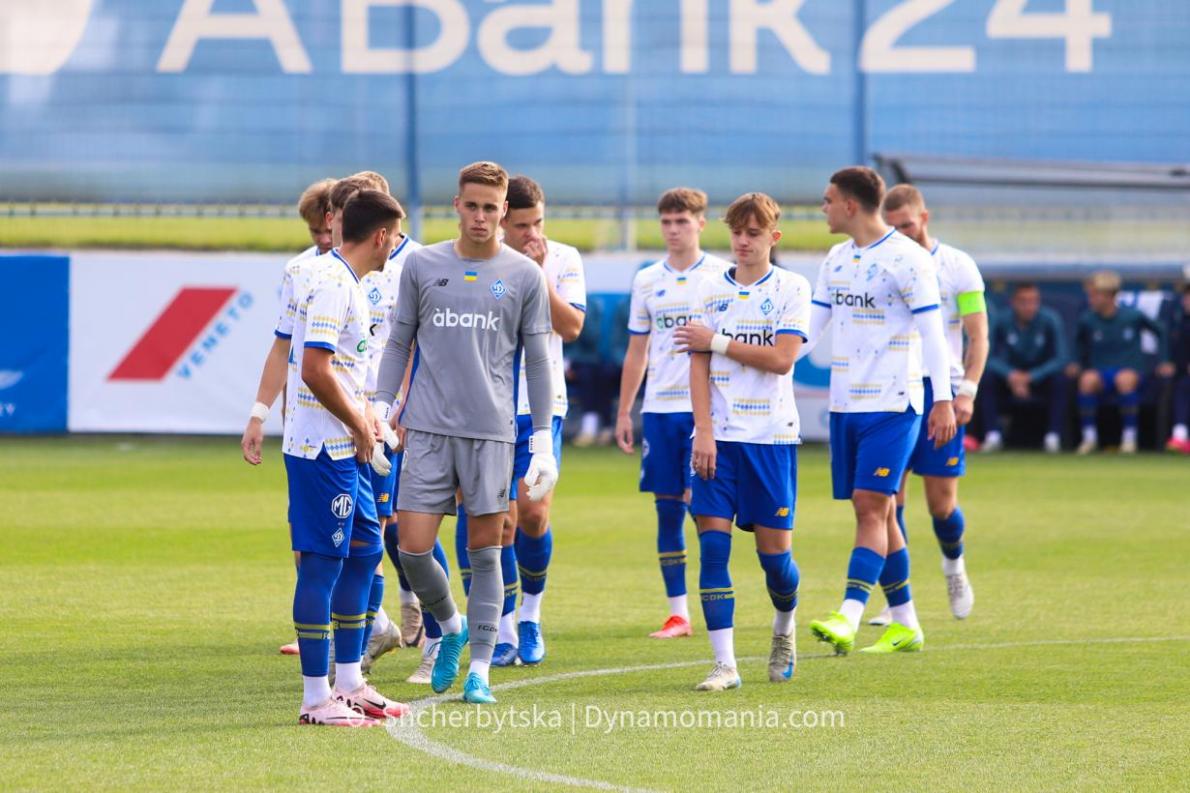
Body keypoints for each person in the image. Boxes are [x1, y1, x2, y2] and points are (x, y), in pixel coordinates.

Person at [375, 161, 557, 705]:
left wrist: (542, 441)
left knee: (485, 555)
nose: (480, 216)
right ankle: (451, 626)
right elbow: (399, 341)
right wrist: (381, 410)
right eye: (471, 205)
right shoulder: (422, 264)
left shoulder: (524, 275)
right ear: (457, 205)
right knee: (411, 549)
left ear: (504, 210)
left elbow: (539, 361)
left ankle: (479, 669)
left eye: (490, 208)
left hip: (491, 434)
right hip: (426, 430)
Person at [802, 167, 956, 655]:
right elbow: (809, 332)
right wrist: (756, 356)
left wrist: (944, 399)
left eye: (828, 200)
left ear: (850, 205)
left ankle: (849, 613)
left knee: (870, 504)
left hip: (894, 402)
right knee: (880, 511)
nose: (823, 208)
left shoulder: (908, 259)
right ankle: (906, 622)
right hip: (846, 402)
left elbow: (933, 334)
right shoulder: (835, 259)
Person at [674, 192, 810, 691]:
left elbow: (782, 360)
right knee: (712, 550)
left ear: (774, 237)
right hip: (718, 441)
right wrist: (703, 431)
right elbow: (698, 364)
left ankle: (784, 626)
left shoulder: (793, 287)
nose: (743, 242)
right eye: (736, 232)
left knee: (776, 563)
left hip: (771, 440)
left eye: (753, 233)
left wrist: (718, 341)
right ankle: (724, 665)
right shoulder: (708, 289)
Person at [283, 189, 409, 726]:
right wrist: (359, 423)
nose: (396, 245)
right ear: (380, 236)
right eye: (395, 236)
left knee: (364, 553)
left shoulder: (350, 281)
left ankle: (351, 682)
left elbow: (344, 372)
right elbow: (315, 369)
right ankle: (315, 699)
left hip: (348, 446)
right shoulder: (335, 284)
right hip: (321, 449)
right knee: (322, 565)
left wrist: (369, 421)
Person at [454, 174, 586, 666]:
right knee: (497, 521)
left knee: (532, 515)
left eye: (539, 223)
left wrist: (537, 274)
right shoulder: (477, 261)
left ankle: (532, 614)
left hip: (541, 406)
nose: (534, 234)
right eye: (523, 226)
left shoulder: (563, 259)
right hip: (485, 408)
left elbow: (571, 326)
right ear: (503, 221)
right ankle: (505, 627)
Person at [616, 188, 731, 639]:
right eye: (666, 221)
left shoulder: (721, 275)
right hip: (661, 410)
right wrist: (625, 410)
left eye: (682, 221)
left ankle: (716, 601)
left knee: (706, 511)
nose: (673, 229)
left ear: (700, 223)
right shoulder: (647, 279)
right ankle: (678, 614)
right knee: (667, 510)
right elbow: (637, 350)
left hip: (708, 411)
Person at [878, 184, 987, 623]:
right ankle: (896, 598)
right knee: (888, 500)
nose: (902, 234)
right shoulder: (884, 266)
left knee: (941, 505)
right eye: (893, 227)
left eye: (907, 224)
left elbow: (978, 335)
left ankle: (954, 564)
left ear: (924, 218)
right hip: (894, 391)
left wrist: (967, 391)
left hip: (941, 391)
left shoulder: (958, 266)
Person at [1071, 270, 1174, 454]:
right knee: (1087, 380)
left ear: (1109, 296)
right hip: (1100, 371)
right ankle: (1089, 438)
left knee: (1124, 379)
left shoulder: (1132, 316)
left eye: (1095, 295)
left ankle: (1129, 439)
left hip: (1130, 370)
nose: (1091, 299)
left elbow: (1161, 331)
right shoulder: (1087, 320)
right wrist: (1076, 364)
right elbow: (1078, 346)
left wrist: (1164, 360)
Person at [979, 283, 1070, 453]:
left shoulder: (1050, 320)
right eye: (1023, 301)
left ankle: (1053, 437)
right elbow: (988, 356)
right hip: (1009, 380)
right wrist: (1011, 375)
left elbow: (1060, 358)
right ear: (1013, 302)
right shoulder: (1002, 320)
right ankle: (992, 436)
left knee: (1060, 380)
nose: (1029, 307)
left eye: (1033, 301)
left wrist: (1032, 376)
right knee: (988, 378)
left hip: (1041, 379)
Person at [1165, 284, 1190, 454]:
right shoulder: (1180, 323)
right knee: (1182, 384)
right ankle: (1180, 436)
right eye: (1186, 297)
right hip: (1182, 375)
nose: (1187, 301)